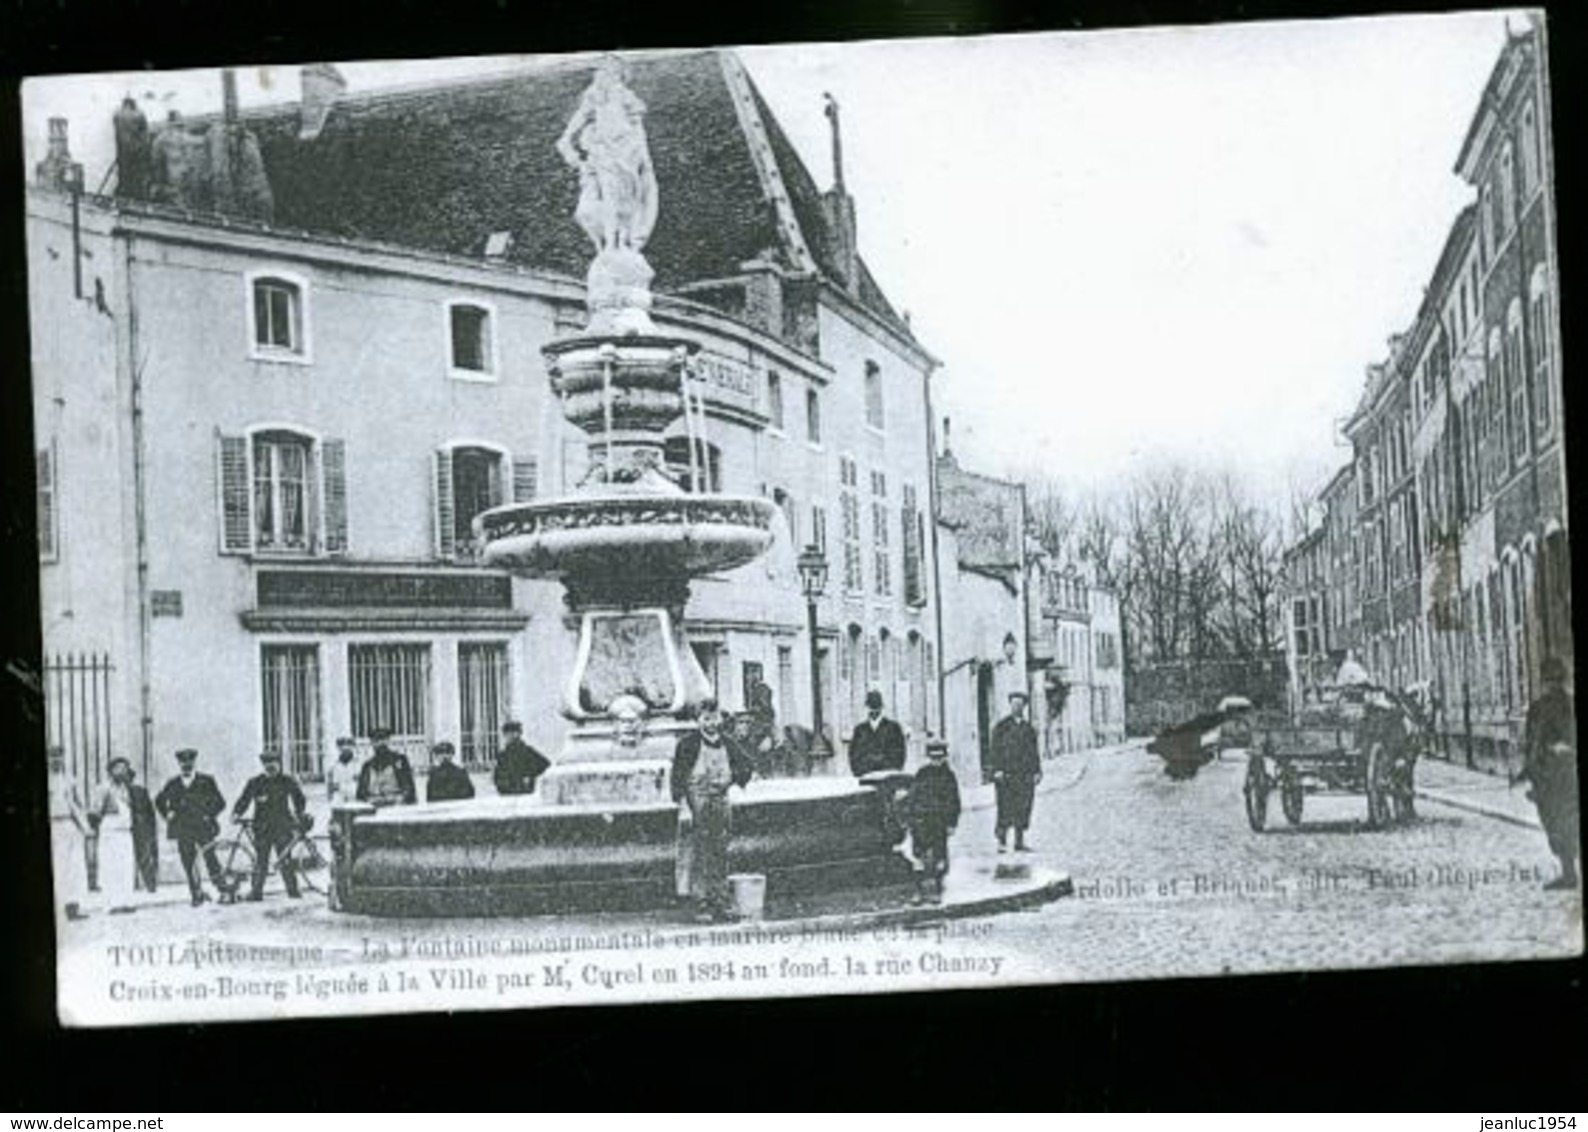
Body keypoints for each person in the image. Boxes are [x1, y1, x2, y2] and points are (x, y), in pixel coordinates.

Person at [670, 698, 754, 923]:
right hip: (696, 803)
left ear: (720, 719)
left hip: (720, 802)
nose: (710, 723)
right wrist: (683, 806)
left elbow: (747, 764)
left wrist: (734, 781)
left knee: (720, 851)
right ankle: (701, 902)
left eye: (714, 718)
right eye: (705, 718)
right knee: (698, 852)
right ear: (698, 721)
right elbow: (677, 778)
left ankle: (721, 900)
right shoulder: (687, 744)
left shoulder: (728, 742)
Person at [1517, 656, 1579, 891]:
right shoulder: (1537, 708)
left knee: (1565, 822)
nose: (1553, 685)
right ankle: (1567, 872)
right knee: (1551, 823)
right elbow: (1532, 741)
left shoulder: (1569, 705)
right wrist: (1528, 769)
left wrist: (1563, 747)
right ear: (1544, 682)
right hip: (1544, 778)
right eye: (1550, 681)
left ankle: (1569, 873)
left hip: (1565, 775)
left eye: (1557, 680)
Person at [154, 748, 229, 905]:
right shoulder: (173, 783)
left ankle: (223, 891)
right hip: (183, 829)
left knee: (211, 859)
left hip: (203, 827)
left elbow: (220, 802)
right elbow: (159, 800)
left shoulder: (206, 781)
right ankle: (196, 894)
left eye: (189, 761)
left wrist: (209, 814)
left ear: (194, 762)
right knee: (188, 861)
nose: (186, 765)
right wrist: (167, 813)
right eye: (183, 762)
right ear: (179, 764)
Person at [232, 751, 310, 901]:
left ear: (279, 764)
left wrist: (298, 814)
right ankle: (256, 892)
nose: (271, 767)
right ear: (263, 765)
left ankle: (293, 890)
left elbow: (300, 799)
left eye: (274, 763)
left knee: (285, 858)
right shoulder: (255, 782)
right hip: (262, 827)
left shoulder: (286, 781)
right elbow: (244, 799)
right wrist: (236, 813)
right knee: (261, 860)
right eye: (267, 764)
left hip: (282, 826)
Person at [907, 738, 962, 905]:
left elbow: (954, 801)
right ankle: (918, 891)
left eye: (939, 758)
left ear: (945, 757)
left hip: (940, 822)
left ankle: (937, 890)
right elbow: (913, 797)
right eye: (933, 758)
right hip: (921, 821)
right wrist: (911, 820)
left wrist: (952, 823)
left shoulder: (949, 776)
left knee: (939, 857)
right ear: (928, 757)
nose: (936, 761)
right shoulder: (922, 774)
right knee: (918, 859)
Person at [989, 690, 1042, 853]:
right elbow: (994, 750)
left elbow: (1034, 752)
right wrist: (996, 770)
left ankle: (1019, 842)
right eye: (1014, 704)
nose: (1016, 707)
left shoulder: (1028, 729)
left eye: (1019, 705)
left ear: (1024, 707)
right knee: (1004, 808)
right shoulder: (1002, 727)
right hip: (1006, 775)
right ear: (1010, 705)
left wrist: (1037, 771)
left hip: (1024, 775)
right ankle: (1002, 842)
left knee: (1022, 807)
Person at [47, 746, 91, 920]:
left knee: (74, 866)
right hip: (54, 824)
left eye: (59, 756)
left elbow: (78, 805)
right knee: (59, 867)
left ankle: (73, 906)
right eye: (52, 756)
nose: (56, 760)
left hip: (70, 825)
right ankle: (59, 906)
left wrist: (85, 827)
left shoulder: (69, 780)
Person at [848, 690, 906, 777]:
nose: (874, 712)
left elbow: (900, 754)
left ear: (881, 707)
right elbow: (854, 755)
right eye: (871, 707)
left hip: (888, 777)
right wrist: (861, 772)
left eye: (876, 708)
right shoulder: (860, 730)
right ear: (867, 707)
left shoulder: (893, 728)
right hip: (865, 776)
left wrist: (891, 771)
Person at [356, 726, 418, 808]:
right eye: (377, 741)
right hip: (373, 808)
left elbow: (409, 789)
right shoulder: (367, 766)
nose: (381, 743)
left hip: (396, 808)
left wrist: (400, 799)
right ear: (372, 743)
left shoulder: (399, 760)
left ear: (388, 741)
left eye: (383, 740)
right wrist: (369, 800)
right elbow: (361, 794)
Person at [493, 720, 551, 797]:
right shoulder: (503, 756)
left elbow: (545, 765)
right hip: (507, 795)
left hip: (524, 794)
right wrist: (501, 784)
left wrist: (530, 777)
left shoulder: (528, 752)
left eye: (513, 733)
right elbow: (497, 776)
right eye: (507, 734)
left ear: (518, 734)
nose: (509, 736)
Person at [325, 736, 363, 805]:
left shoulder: (359, 765)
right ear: (338, 748)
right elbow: (330, 788)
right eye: (342, 745)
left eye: (349, 744)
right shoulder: (333, 767)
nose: (346, 747)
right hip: (339, 801)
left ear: (353, 747)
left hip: (355, 800)